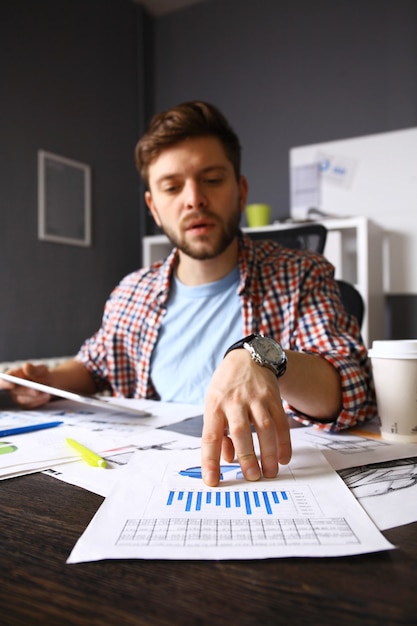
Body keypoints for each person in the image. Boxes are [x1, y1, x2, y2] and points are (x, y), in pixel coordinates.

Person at [0, 101, 376, 486]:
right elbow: (96, 366)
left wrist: (261, 357)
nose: (194, 198)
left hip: (271, 479)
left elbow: (353, 388)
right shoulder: (132, 292)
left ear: (241, 191)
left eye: (212, 179)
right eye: (172, 186)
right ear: (154, 207)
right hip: (147, 478)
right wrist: (44, 381)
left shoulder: (301, 274)